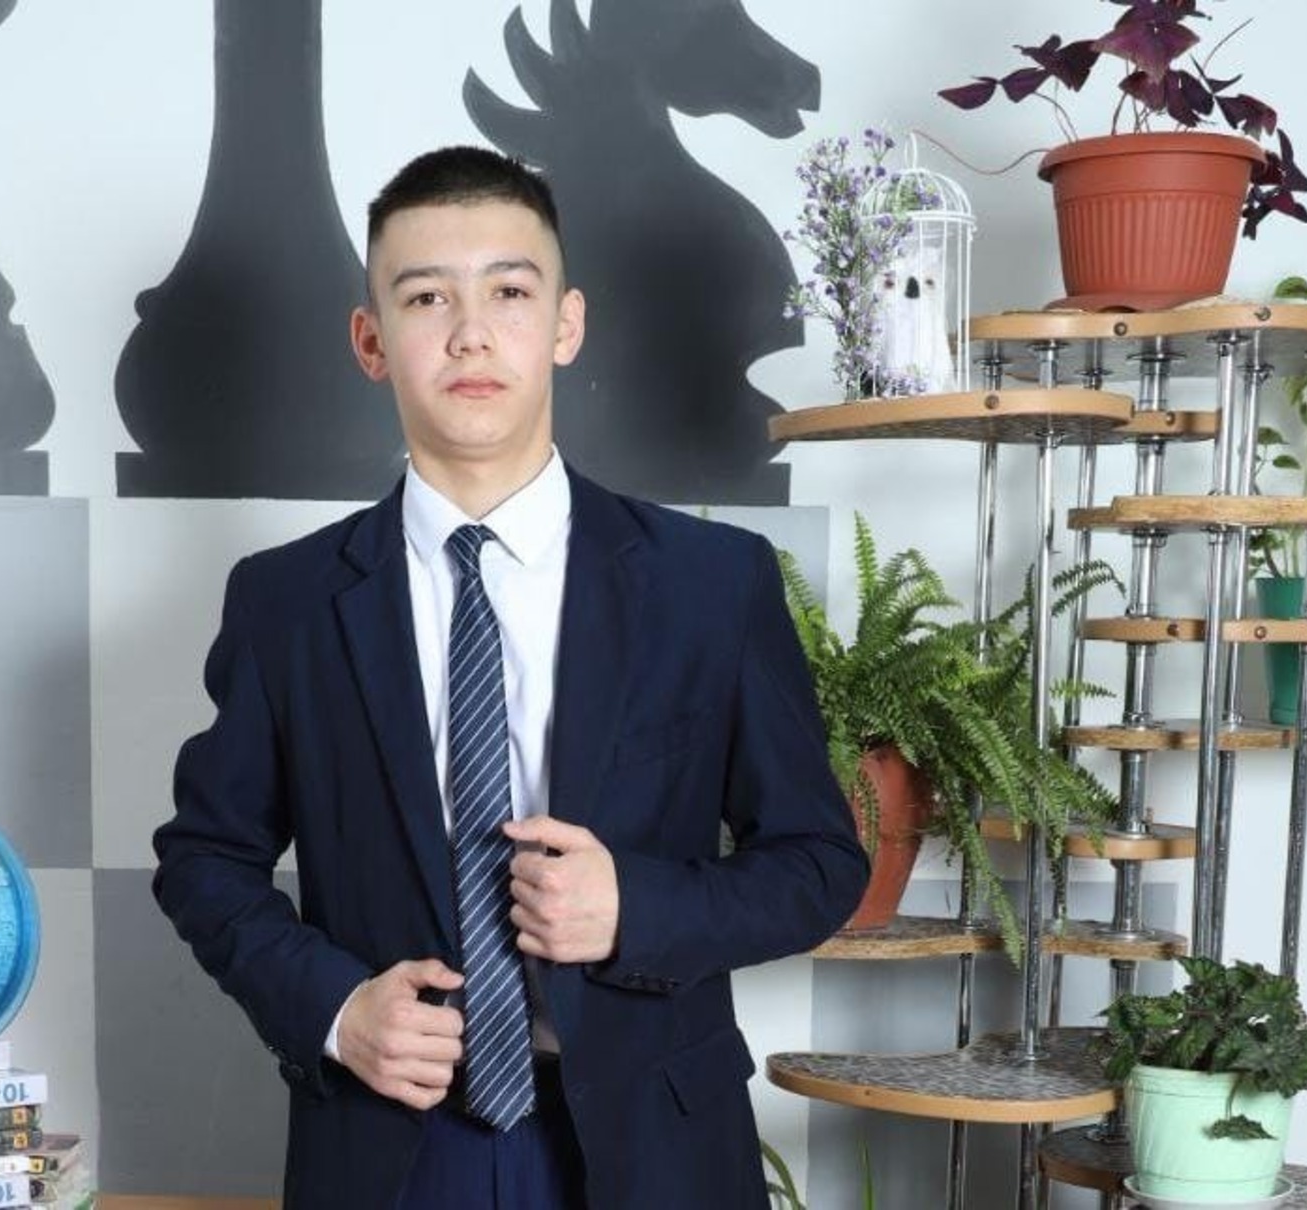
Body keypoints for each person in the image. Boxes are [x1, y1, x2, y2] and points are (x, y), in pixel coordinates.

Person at [151, 145, 868, 1210]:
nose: (470, 333)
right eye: (425, 297)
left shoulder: (711, 584)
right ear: (370, 341)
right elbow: (205, 859)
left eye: (509, 292)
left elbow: (818, 864)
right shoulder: (285, 602)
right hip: (392, 1144)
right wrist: (338, 1009)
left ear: (565, 325)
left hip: (652, 1147)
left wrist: (636, 904)